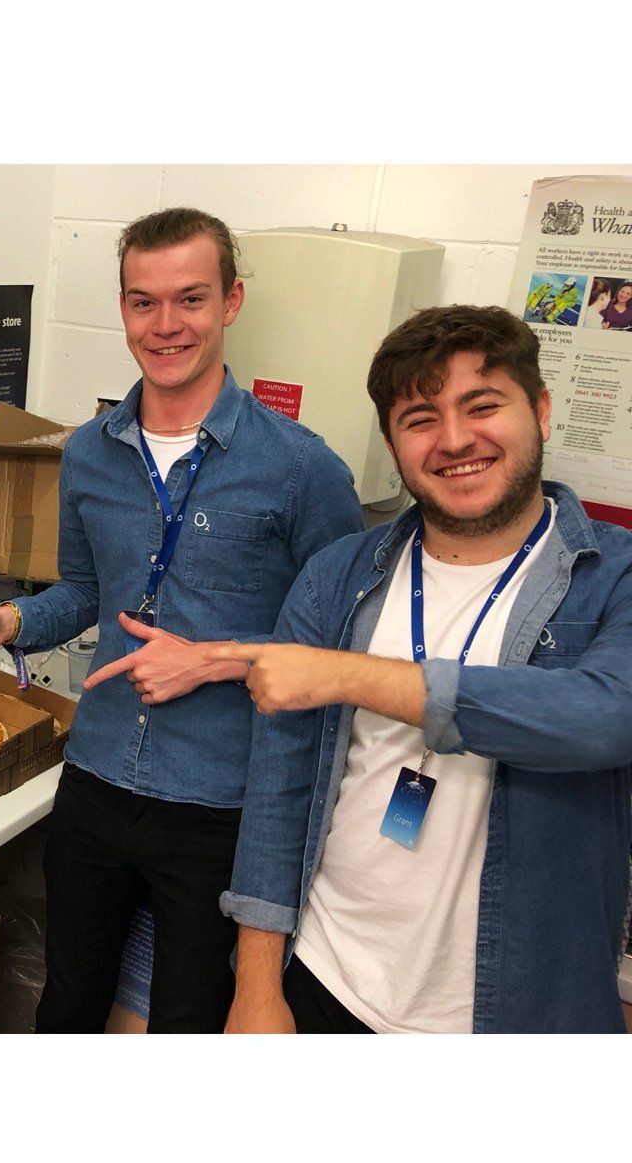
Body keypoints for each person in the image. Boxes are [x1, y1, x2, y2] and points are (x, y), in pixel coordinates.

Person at [0, 207, 362, 1032]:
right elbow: (83, 592)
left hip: (221, 801)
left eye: (190, 298)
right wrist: (8, 622)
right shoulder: (88, 452)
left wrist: (214, 660)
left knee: (187, 1020)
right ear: (122, 309)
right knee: (68, 1003)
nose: (166, 324)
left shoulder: (300, 468)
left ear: (232, 302)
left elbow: (343, 649)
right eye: (143, 302)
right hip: (98, 777)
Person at [217, 305, 632, 1034]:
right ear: (392, 442)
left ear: (539, 409)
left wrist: (346, 675)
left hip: (517, 1008)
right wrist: (257, 987)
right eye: (420, 418)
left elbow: (604, 718)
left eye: (483, 405)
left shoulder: (614, 574)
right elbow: (278, 793)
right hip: (325, 975)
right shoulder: (336, 576)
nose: (455, 440)